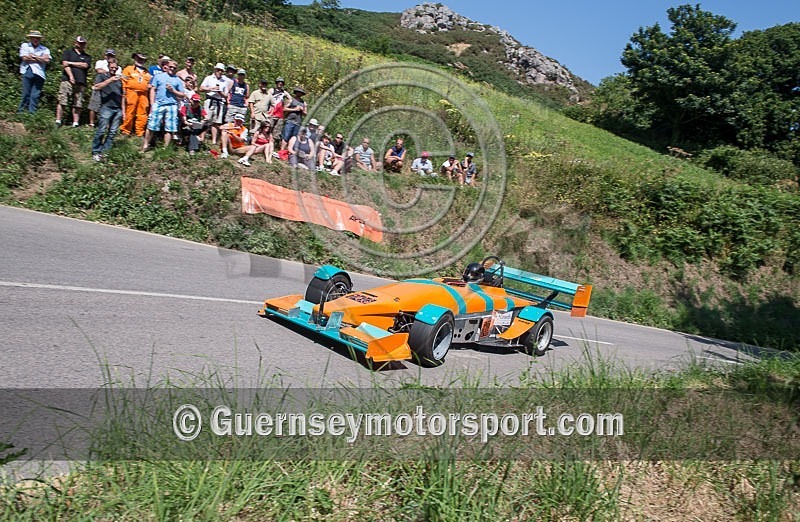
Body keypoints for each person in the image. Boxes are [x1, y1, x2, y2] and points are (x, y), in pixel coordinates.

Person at [142, 60, 185, 151]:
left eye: (174, 68)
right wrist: (152, 103)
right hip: (159, 103)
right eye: (170, 67)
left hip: (172, 105)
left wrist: (173, 91)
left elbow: (182, 94)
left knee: (169, 128)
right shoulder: (158, 77)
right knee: (151, 125)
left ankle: (165, 149)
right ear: (166, 67)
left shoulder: (177, 80)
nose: (172, 69)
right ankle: (146, 145)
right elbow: (153, 89)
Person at [90, 57, 124, 162]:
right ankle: (96, 151)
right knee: (101, 130)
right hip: (106, 107)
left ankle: (105, 152)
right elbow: (96, 87)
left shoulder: (120, 80)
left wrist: (123, 110)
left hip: (117, 108)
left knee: (113, 132)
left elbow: (123, 96)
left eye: (115, 68)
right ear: (108, 67)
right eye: (112, 67)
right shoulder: (102, 76)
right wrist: (110, 80)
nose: (113, 69)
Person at [56, 36, 92, 127]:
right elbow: (65, 64)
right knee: (62, 100)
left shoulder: (87, 56)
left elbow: (85, 65)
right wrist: (71, 76)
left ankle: (75, 123)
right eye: (80, 43)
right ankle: (58, 120)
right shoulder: (68, 52)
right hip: (67, 80)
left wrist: (71, 63)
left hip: (81, 82)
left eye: (83, 43)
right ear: (75, 43)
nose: (82, 45)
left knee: (78, 103)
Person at [17, 30, 51, 114]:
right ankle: (21, 112)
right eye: (34, 38)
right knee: (26, 93)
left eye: (37, 38)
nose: (35, 40)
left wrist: (34, 56)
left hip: (39, 73)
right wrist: (40, 58)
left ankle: (32, 114)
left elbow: (47, 60)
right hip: (28, 70)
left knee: (35, 95)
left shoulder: (44, 49)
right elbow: (25, 58)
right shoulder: (25, 46)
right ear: (31, 38)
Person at [120, 52, 151, 137]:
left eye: (142, 59)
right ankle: (126, 130)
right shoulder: (128, 69)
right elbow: (123, 81)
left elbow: (150, 83)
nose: (140, 61)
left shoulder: (147, 72)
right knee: (130, 112)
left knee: (142, 113)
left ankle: (140, 132)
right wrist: (124, 92)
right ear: (135, 59)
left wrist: (149, 86)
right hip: (131, 92)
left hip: (143, 94)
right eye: (138, 59)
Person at [88, 49, 120, 127]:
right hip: (100, 82)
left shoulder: (117, 66)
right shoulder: (100, 62)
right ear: (105, 55)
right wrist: (110, 71)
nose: (110, 57)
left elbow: (118, 75)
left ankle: (106, 124)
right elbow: (99, 70)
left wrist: (110, 71)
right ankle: (91, 123)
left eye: (112, 55)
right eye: (108, 55)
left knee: (107, 104)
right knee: (94, 104)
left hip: (110, 87)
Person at [199, 63, 230, 145]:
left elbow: (226, 95)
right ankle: (201, 138)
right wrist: (210, 89)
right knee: (206, 119)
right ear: (215, 70)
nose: (219, 72)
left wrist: (220, 92)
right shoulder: (209, 78)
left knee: (216, 122)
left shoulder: (224, 81)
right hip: (210, 100)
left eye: (221, 71)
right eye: (218, 70)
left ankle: (214, 140)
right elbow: (201, 88)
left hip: (219, 101)